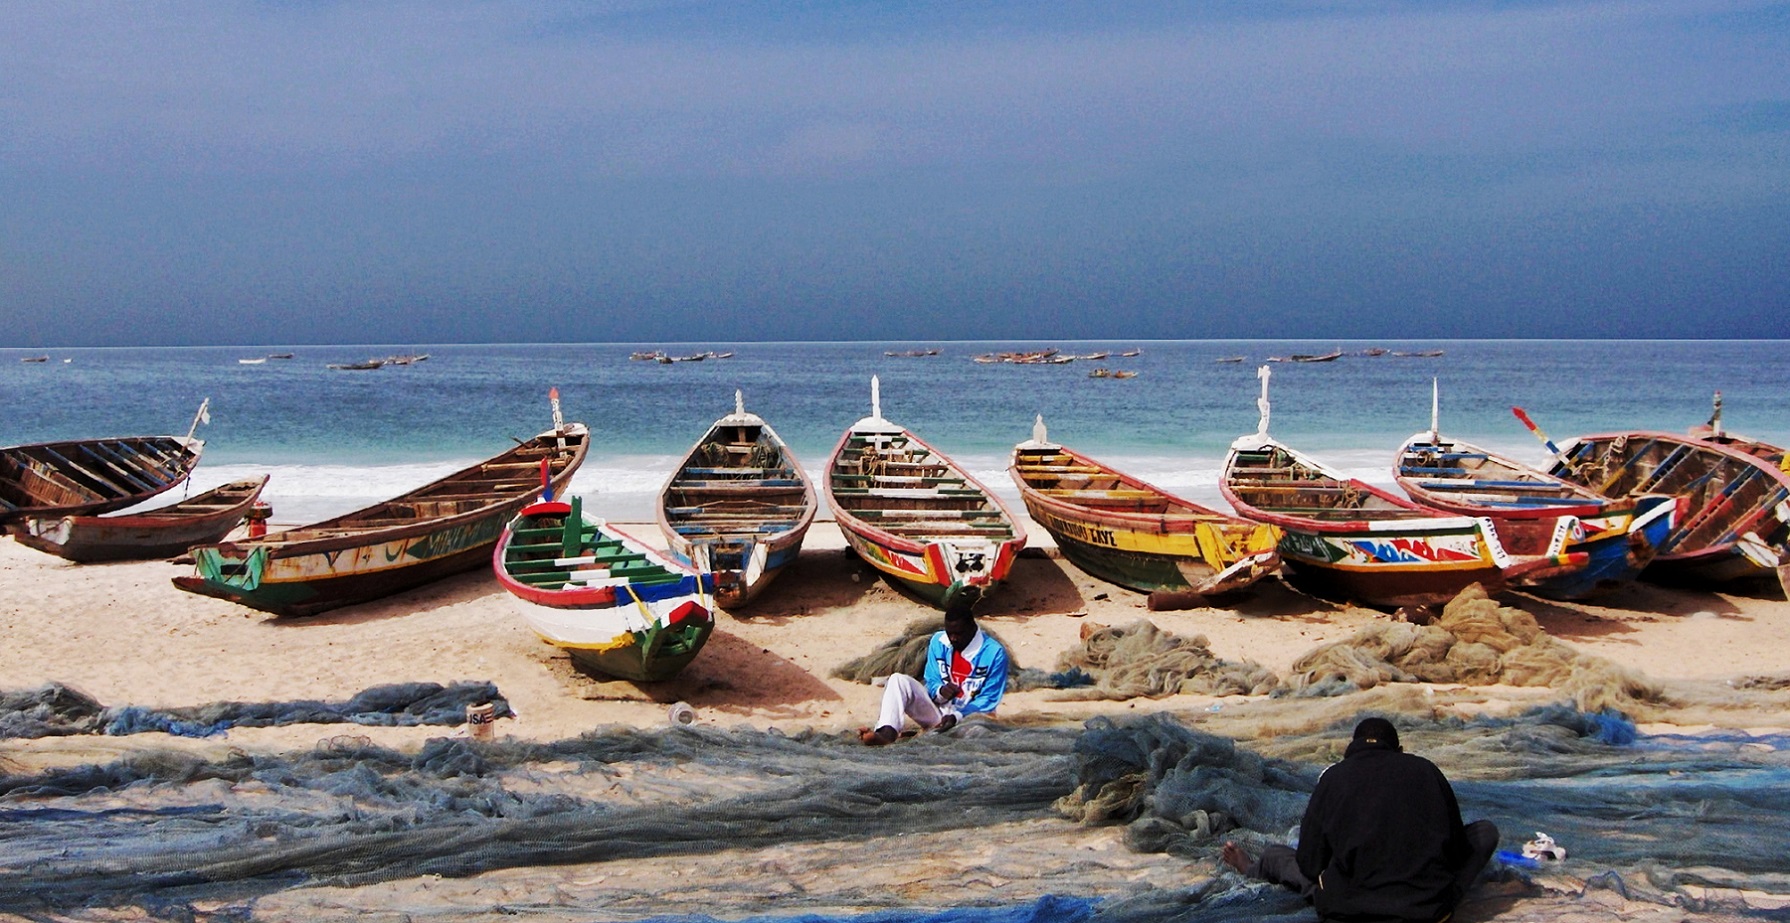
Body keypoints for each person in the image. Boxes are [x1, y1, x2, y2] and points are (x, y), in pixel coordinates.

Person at [1222, 717, 1499, 923]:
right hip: (1428, 912)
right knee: (1486, 832)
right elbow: (1457, 850)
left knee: (1277, 856)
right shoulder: (1426, 770)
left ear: (1349, 750)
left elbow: (1309, 864)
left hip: (1349, 913)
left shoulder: (1334, 777)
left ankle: (1252, 868)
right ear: (1399, 750)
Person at [860, 604, 1008, 745]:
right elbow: (931, 680)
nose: (953, 638)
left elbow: (989, 699)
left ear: (973, 628)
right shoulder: (939, 641)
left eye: (959, 634)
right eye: (950, 633)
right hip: (938, 716)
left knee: (976, 731)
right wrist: (940, 692)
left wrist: (957, 716)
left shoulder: (994, 653)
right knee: (897, 680)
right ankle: (886, 732)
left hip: (970, 719)